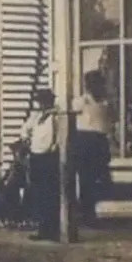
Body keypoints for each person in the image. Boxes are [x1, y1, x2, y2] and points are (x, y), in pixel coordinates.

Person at [71, 70, 113, 228]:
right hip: (85, 142)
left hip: (100, 142)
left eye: (99, 83)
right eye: (94, 83)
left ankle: (90, 210)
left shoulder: (104, 103)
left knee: (100, 178)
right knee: (86, 179)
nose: (97, 87)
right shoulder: (81, 102)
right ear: (88, 86)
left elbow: (108, 122)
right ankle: (86, 213)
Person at [21, 88, 61, 242]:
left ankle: (53, 230)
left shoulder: (55, 116)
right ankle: (43, 229)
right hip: (36, 156)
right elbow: (24, 129)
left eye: (45, 100)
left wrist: (54, 147)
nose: (43, 103)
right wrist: (26, 137)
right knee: (38, 193)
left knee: (50, 194)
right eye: (41, 101)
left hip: (49, 158)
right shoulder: (37, 117)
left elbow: (59, 136)